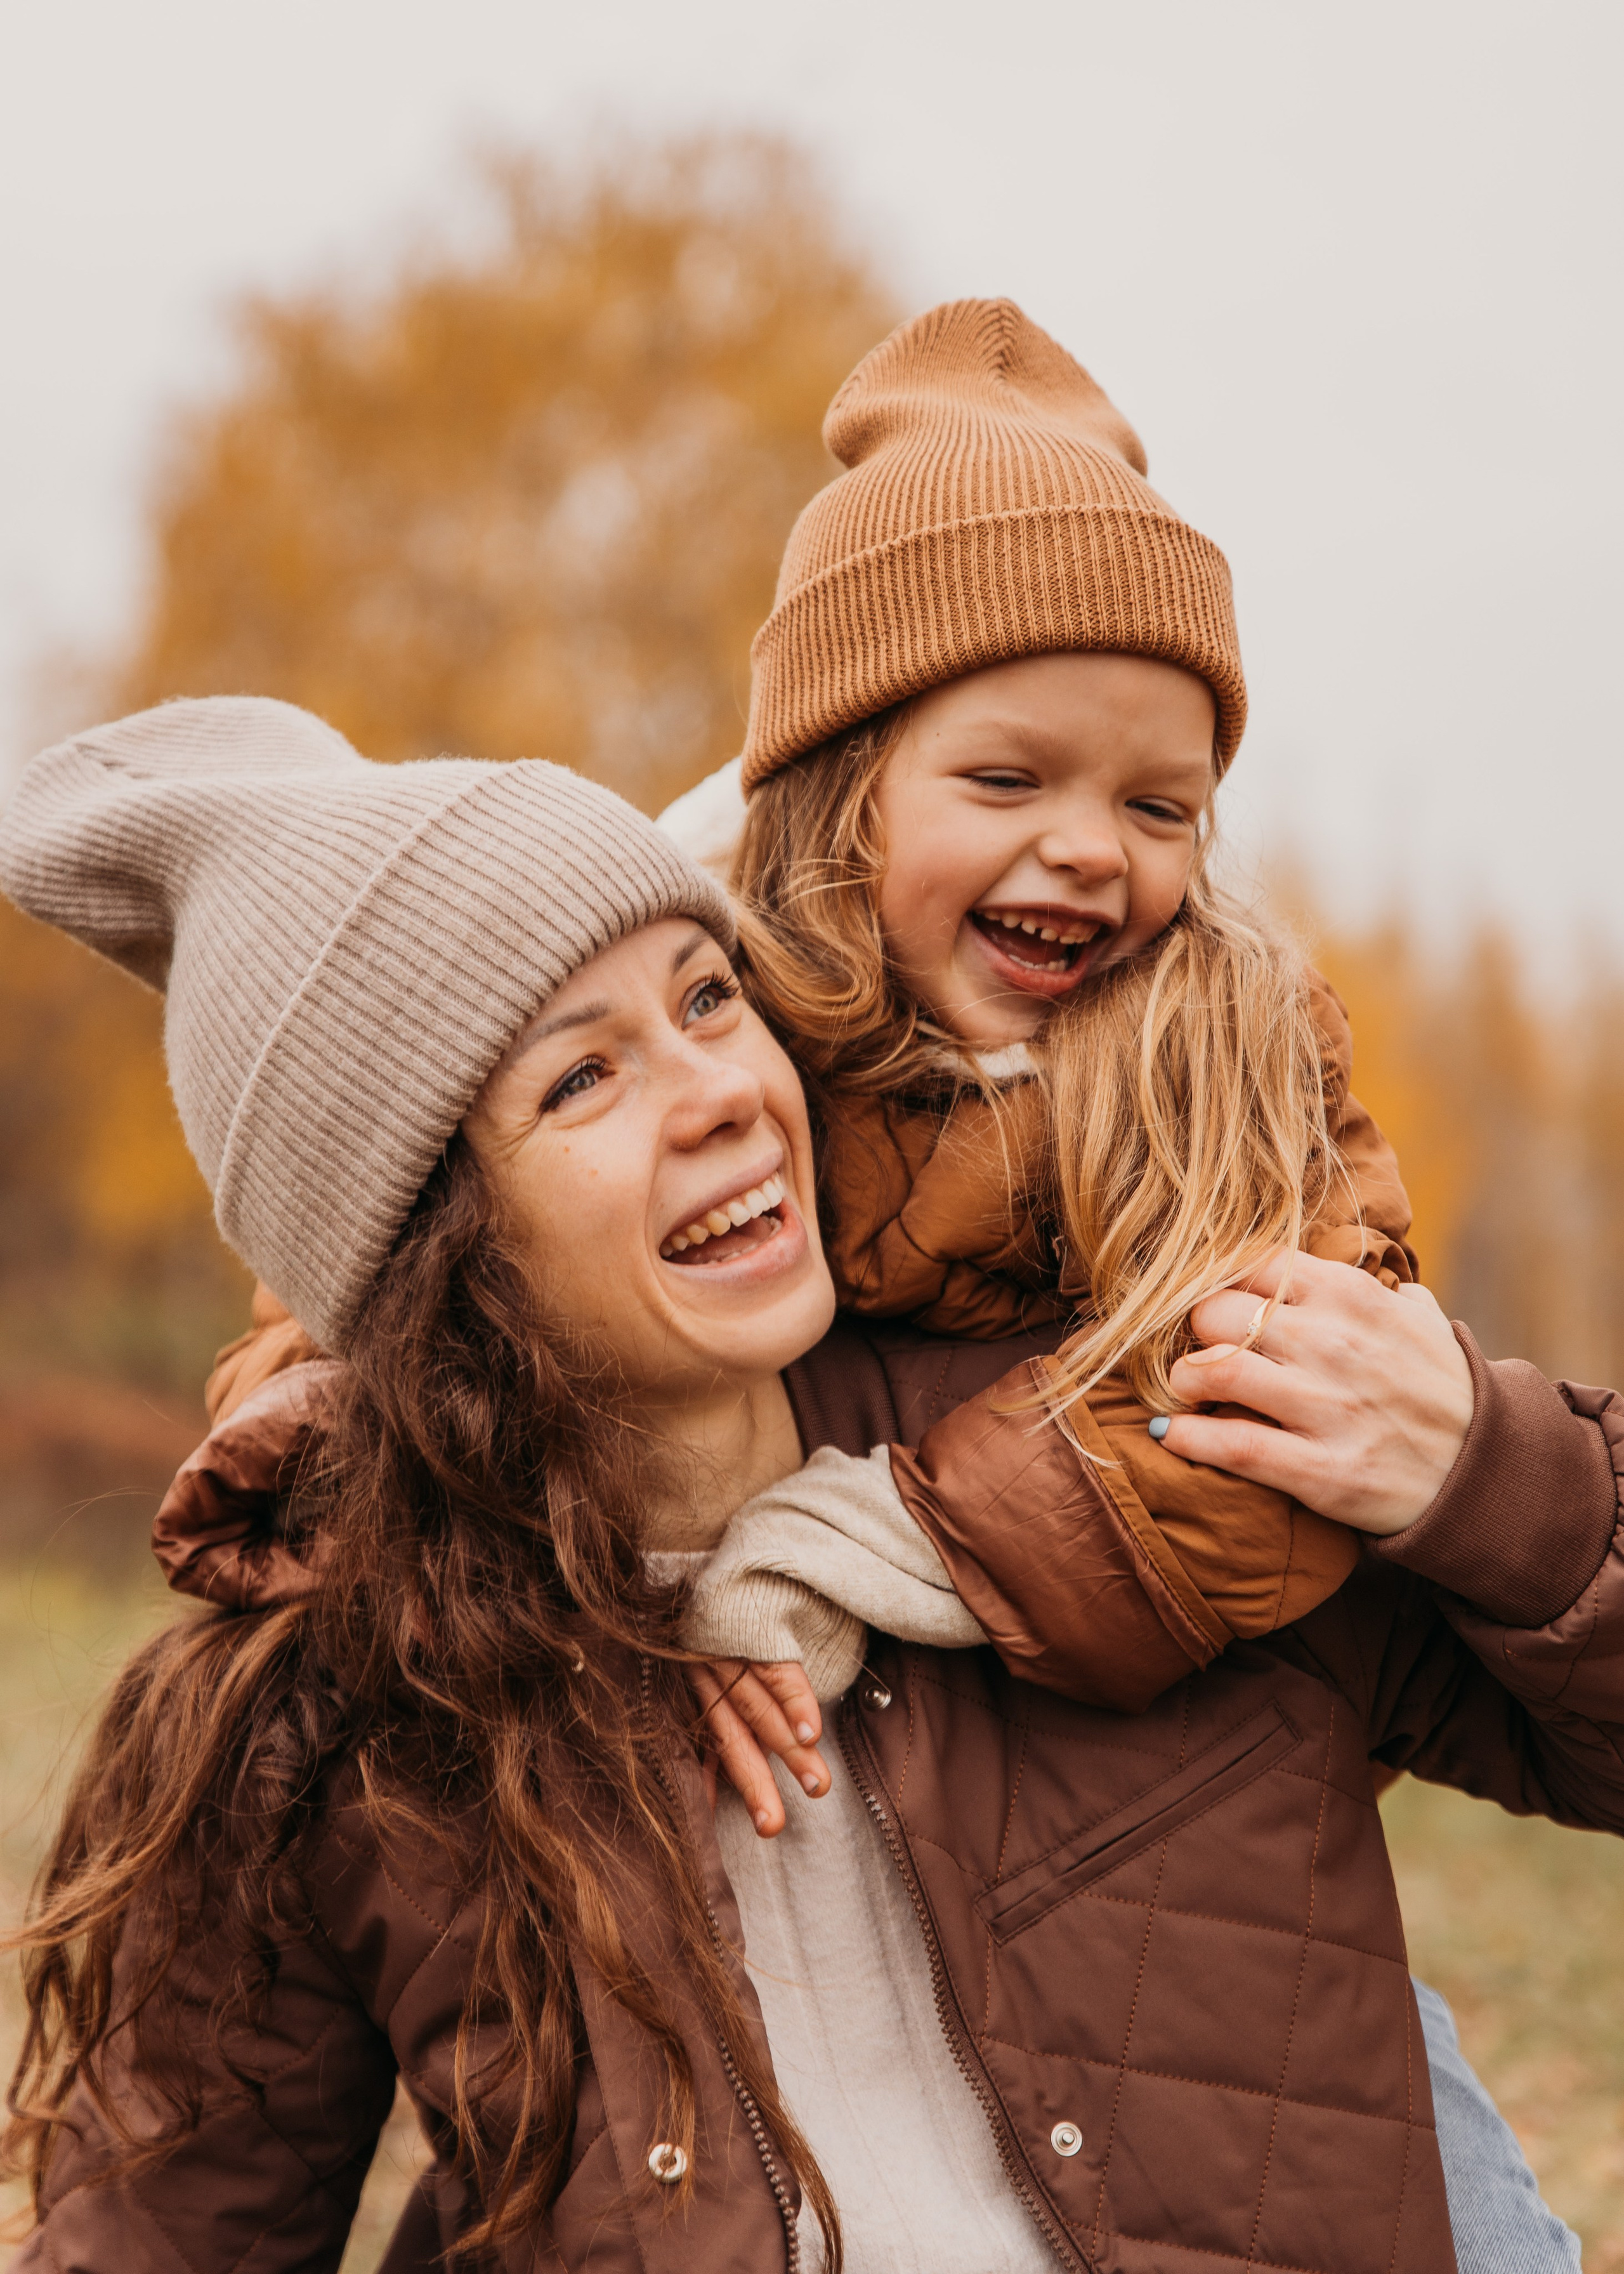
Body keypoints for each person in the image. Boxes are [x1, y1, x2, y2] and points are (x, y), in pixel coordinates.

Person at [3, 697, 1619, 2273]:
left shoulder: (1126, 1460)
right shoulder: (344, 1714)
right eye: (581, 1079)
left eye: (711, 1000)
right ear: (429, 1253)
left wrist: (1483, 1470)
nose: (721, 1092)